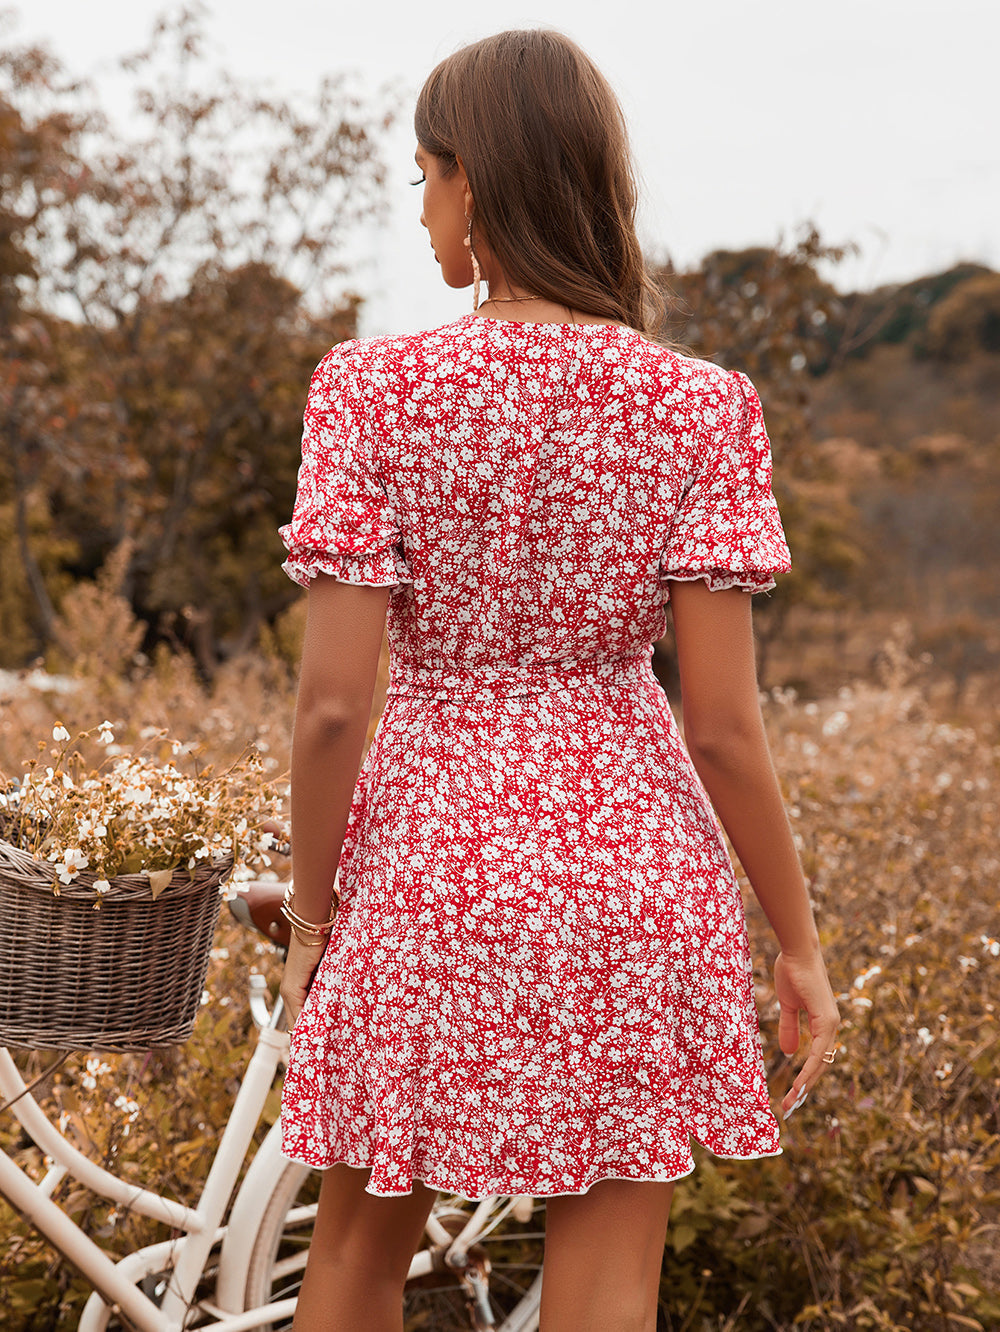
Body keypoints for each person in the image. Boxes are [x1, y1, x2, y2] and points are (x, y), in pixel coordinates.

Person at [276, 27, 840, 1332]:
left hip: (429, 868)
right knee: (606, 1280)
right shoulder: (701, 406)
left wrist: (314, 914)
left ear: (477, 181)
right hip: (638, 876)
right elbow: (723, 728)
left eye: (425, 177)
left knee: (359, 1254)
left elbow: (330, 708)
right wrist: (798, 946)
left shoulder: (373, 391)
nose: (422, 212)